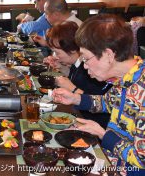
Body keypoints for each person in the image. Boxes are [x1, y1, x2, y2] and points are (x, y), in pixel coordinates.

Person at [52, 14, 145, 175]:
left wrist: (102, 133)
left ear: (109, 55)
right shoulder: (127, 77)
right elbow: (108, 102)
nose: (85, 66)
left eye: (86, 59)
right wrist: (75, 98)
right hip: (110, 161)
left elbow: (141, 160)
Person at [45, 21, 111, 128]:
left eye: (57, 52)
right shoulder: (78, 65)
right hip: (81, 119)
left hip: (90, 123)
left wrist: (72, 89)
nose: (55, 56)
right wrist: (62, 68)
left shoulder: (94, 70)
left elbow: (101, 105)